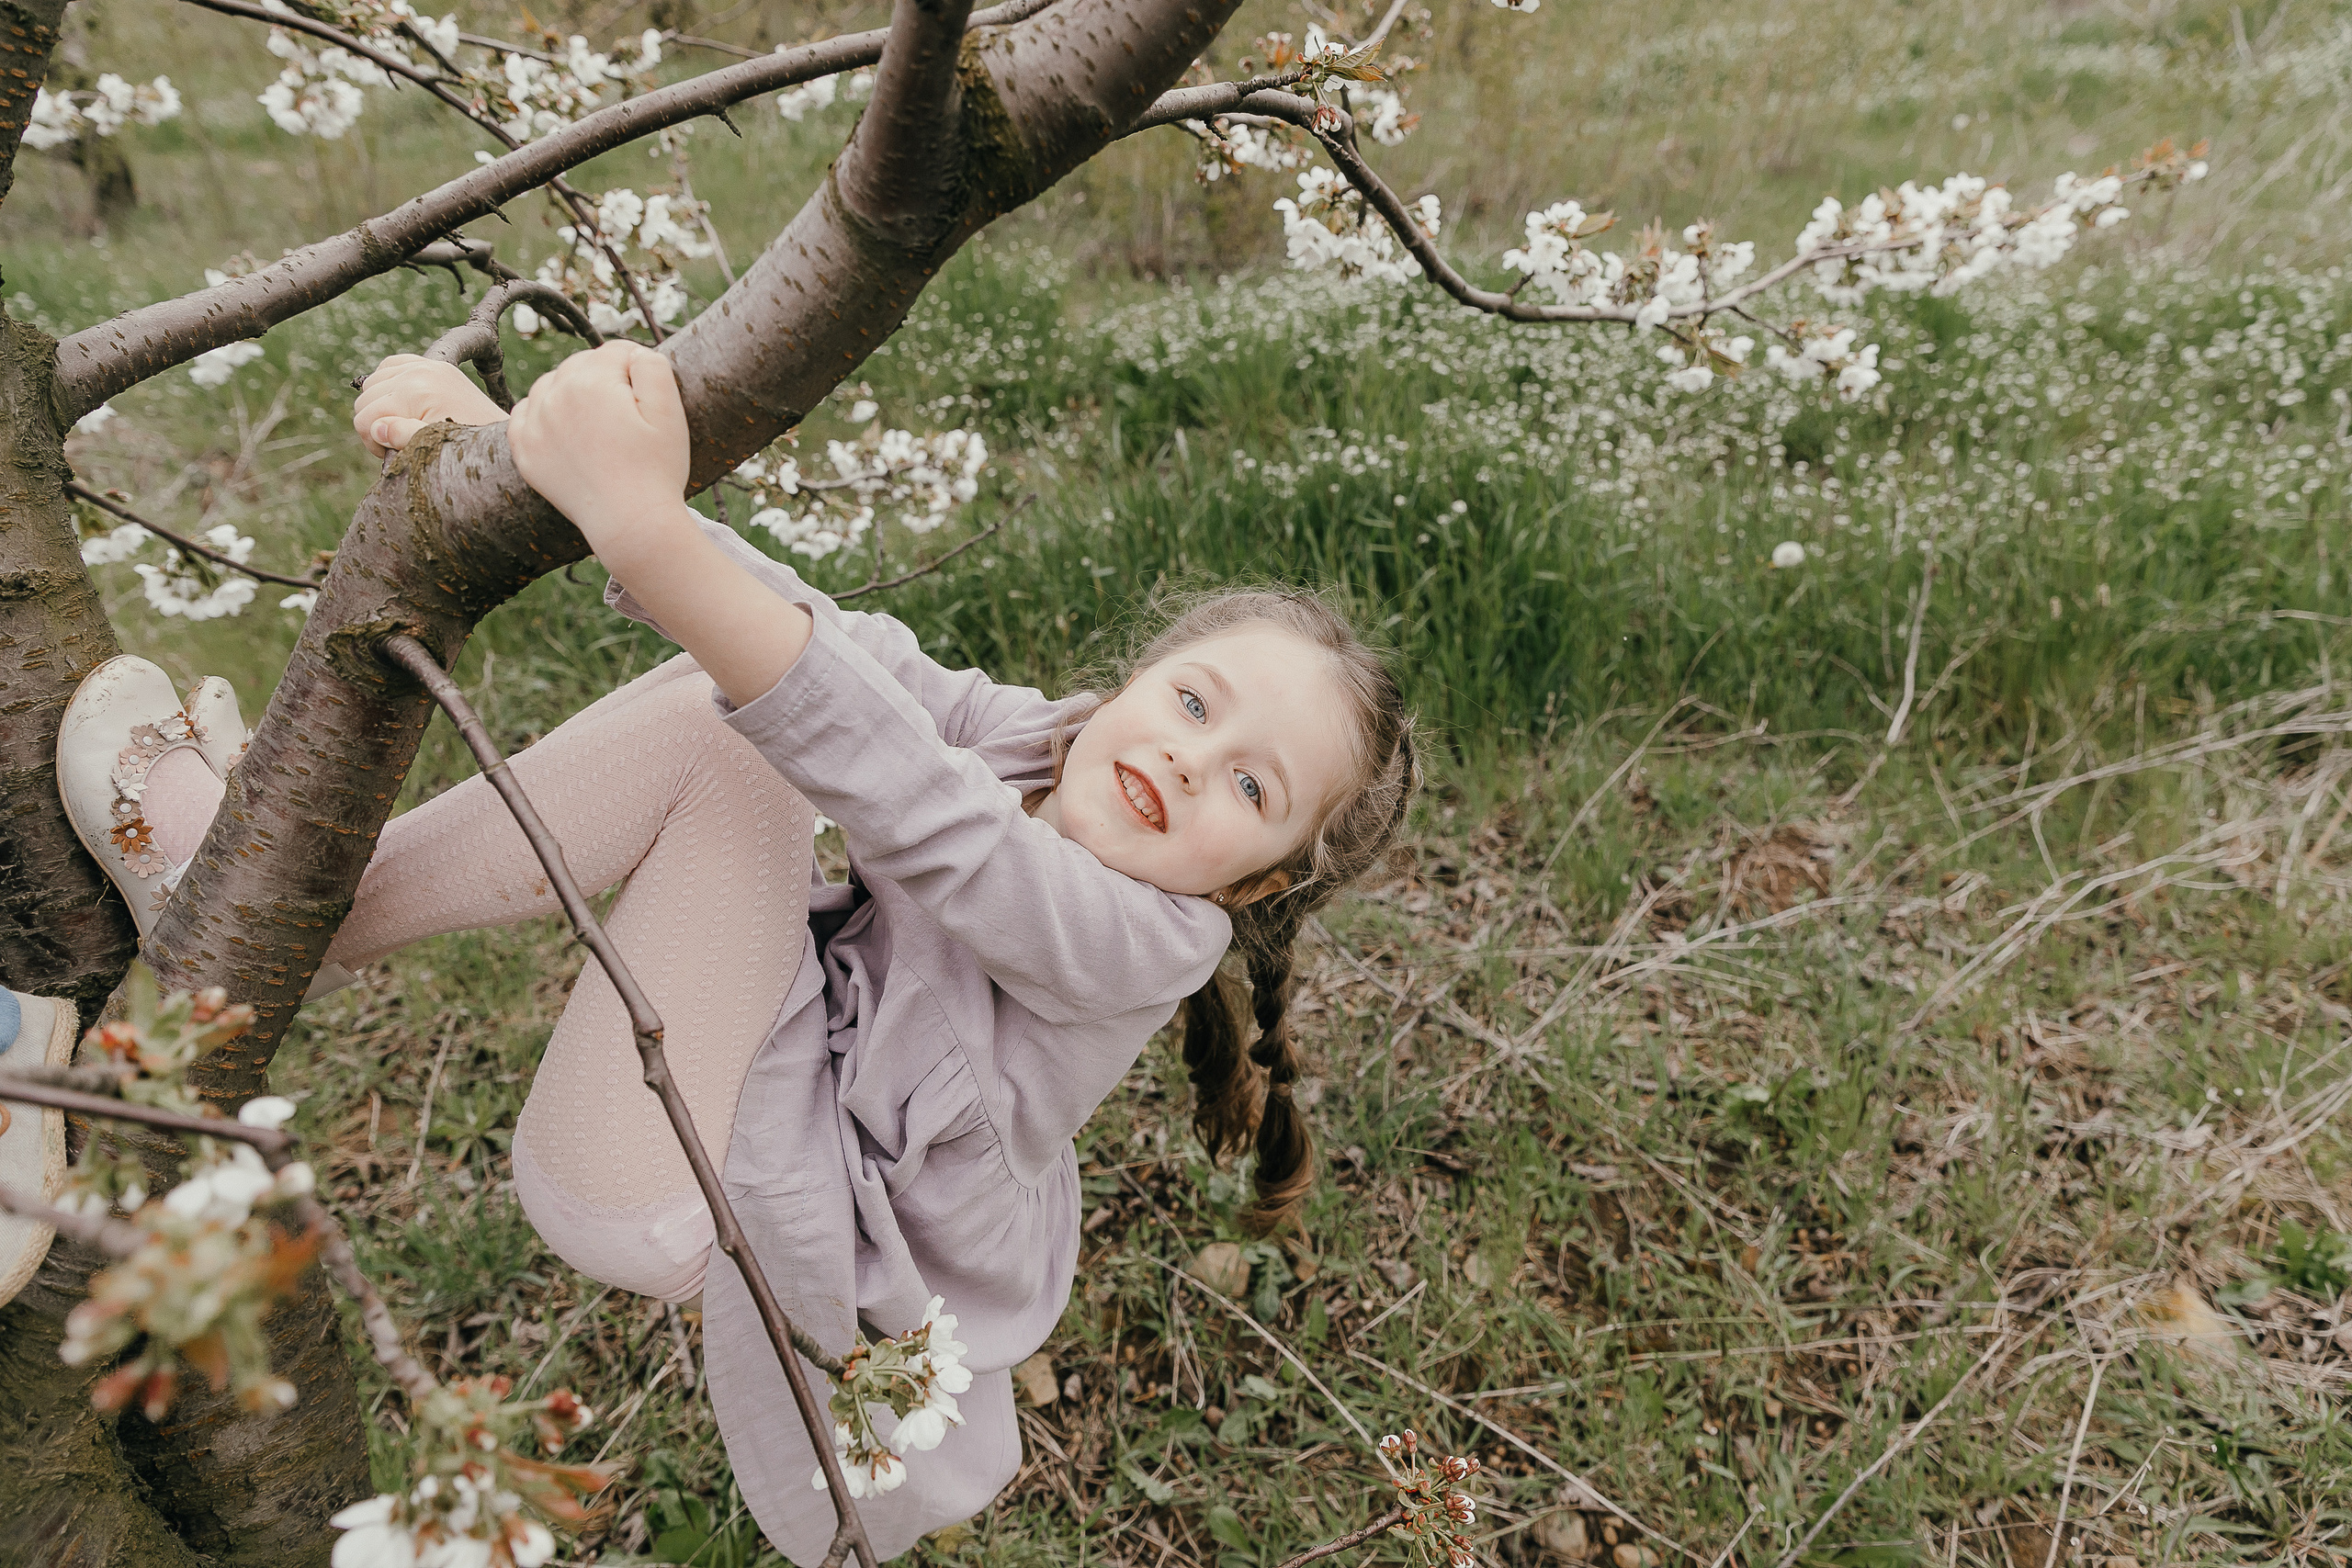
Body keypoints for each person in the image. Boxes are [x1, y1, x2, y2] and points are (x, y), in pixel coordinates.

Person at [34, 342, 1418, 1561]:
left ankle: (281, 911)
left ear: (1261, 878)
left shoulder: (1145, 939)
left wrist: (642, 526)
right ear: (1126, 682)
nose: (1189, 759)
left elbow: (917, 810)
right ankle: (282, 909)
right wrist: (541, 471)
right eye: (1191, 700)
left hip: (702, 1194)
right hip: (732, 1114)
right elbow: (845, 653)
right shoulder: (1031, 739)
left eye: (1252, 785)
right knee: (751, 697)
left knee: (741, 725)